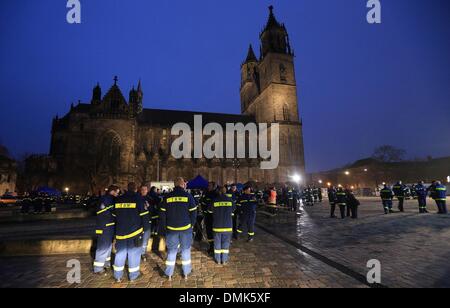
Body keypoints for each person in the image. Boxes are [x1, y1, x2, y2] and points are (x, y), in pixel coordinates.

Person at [159, 177, 197, 280]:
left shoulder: (167, 197)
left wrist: (164, 228)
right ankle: (186, 272)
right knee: (185, 250)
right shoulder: (188, 196)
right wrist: (191, 225)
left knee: (171, 251)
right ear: (182, 184)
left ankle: (169, 273)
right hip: (185, 229)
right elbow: (194, 212)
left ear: (174, 185)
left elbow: (162, 215)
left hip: (171, 229)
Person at [112, 182, 146, 283]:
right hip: (135, 232)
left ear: (127, 188)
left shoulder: (118, 199)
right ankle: (133, 275)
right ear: (136, 189)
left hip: (120, 232)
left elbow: (114, 216)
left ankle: (117, 276)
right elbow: (144, 215)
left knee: (120, 253)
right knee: (134, 253)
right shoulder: (138, 198)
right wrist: (145, 229)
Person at [93, 185, 119, 275]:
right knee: (103, 247)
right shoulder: (107, 199)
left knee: (108, 247)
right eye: (117, 192)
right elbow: (104, 212)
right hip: (104, 228)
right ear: (113, 191)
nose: (117, 194)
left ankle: (105, 264)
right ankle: (98, 268)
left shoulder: (108, 199)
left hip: (108, 227)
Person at [211, 186, 236, 265]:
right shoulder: (230, 200)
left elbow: (210, 210)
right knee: (226, 243)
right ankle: (224, 260)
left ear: (219, 192)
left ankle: (217, 259)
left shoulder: (214, 201)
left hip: (217, 226)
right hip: (228, 226)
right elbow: (233, 209)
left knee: (217, 243)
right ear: (226, 192)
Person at [201, 182, 218, 254]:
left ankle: (216, 247)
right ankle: (211, 247)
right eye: (208, 186)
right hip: (208, 217)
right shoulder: (206, 193)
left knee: (215, 232)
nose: (208, 187)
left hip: (215, 217)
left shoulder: (217, 195)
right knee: (209, 232)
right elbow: (203, 203)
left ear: (214, 186)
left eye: (210, 186)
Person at [139, 185, 152, 262]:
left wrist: (149, 207)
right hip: (138, 223)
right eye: (142, 189)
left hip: (147, 222)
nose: (144, 191)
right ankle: (136, 252)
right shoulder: (137, 199)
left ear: (147, 190)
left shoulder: (150, 199)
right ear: (140, 190)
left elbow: (153, 211)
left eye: (145, 189)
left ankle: (143, 253)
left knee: (145, 240)